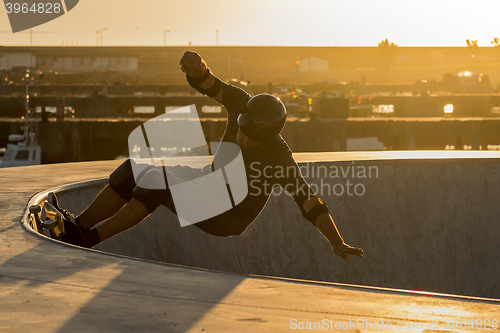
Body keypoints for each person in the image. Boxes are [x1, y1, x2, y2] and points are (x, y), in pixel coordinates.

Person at [50, 51, 363, 261]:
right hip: (210, 186)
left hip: (228, 216)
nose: (241, 138)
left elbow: (310, 202)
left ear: (267, 138)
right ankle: (78, 224)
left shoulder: (279, 160)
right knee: (136, 169)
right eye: (240, 129)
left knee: (159, 184)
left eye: (250, 139)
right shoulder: (242, 102)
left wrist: (335, 241)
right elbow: (209, 84)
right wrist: (198, 67)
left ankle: (89, 238)